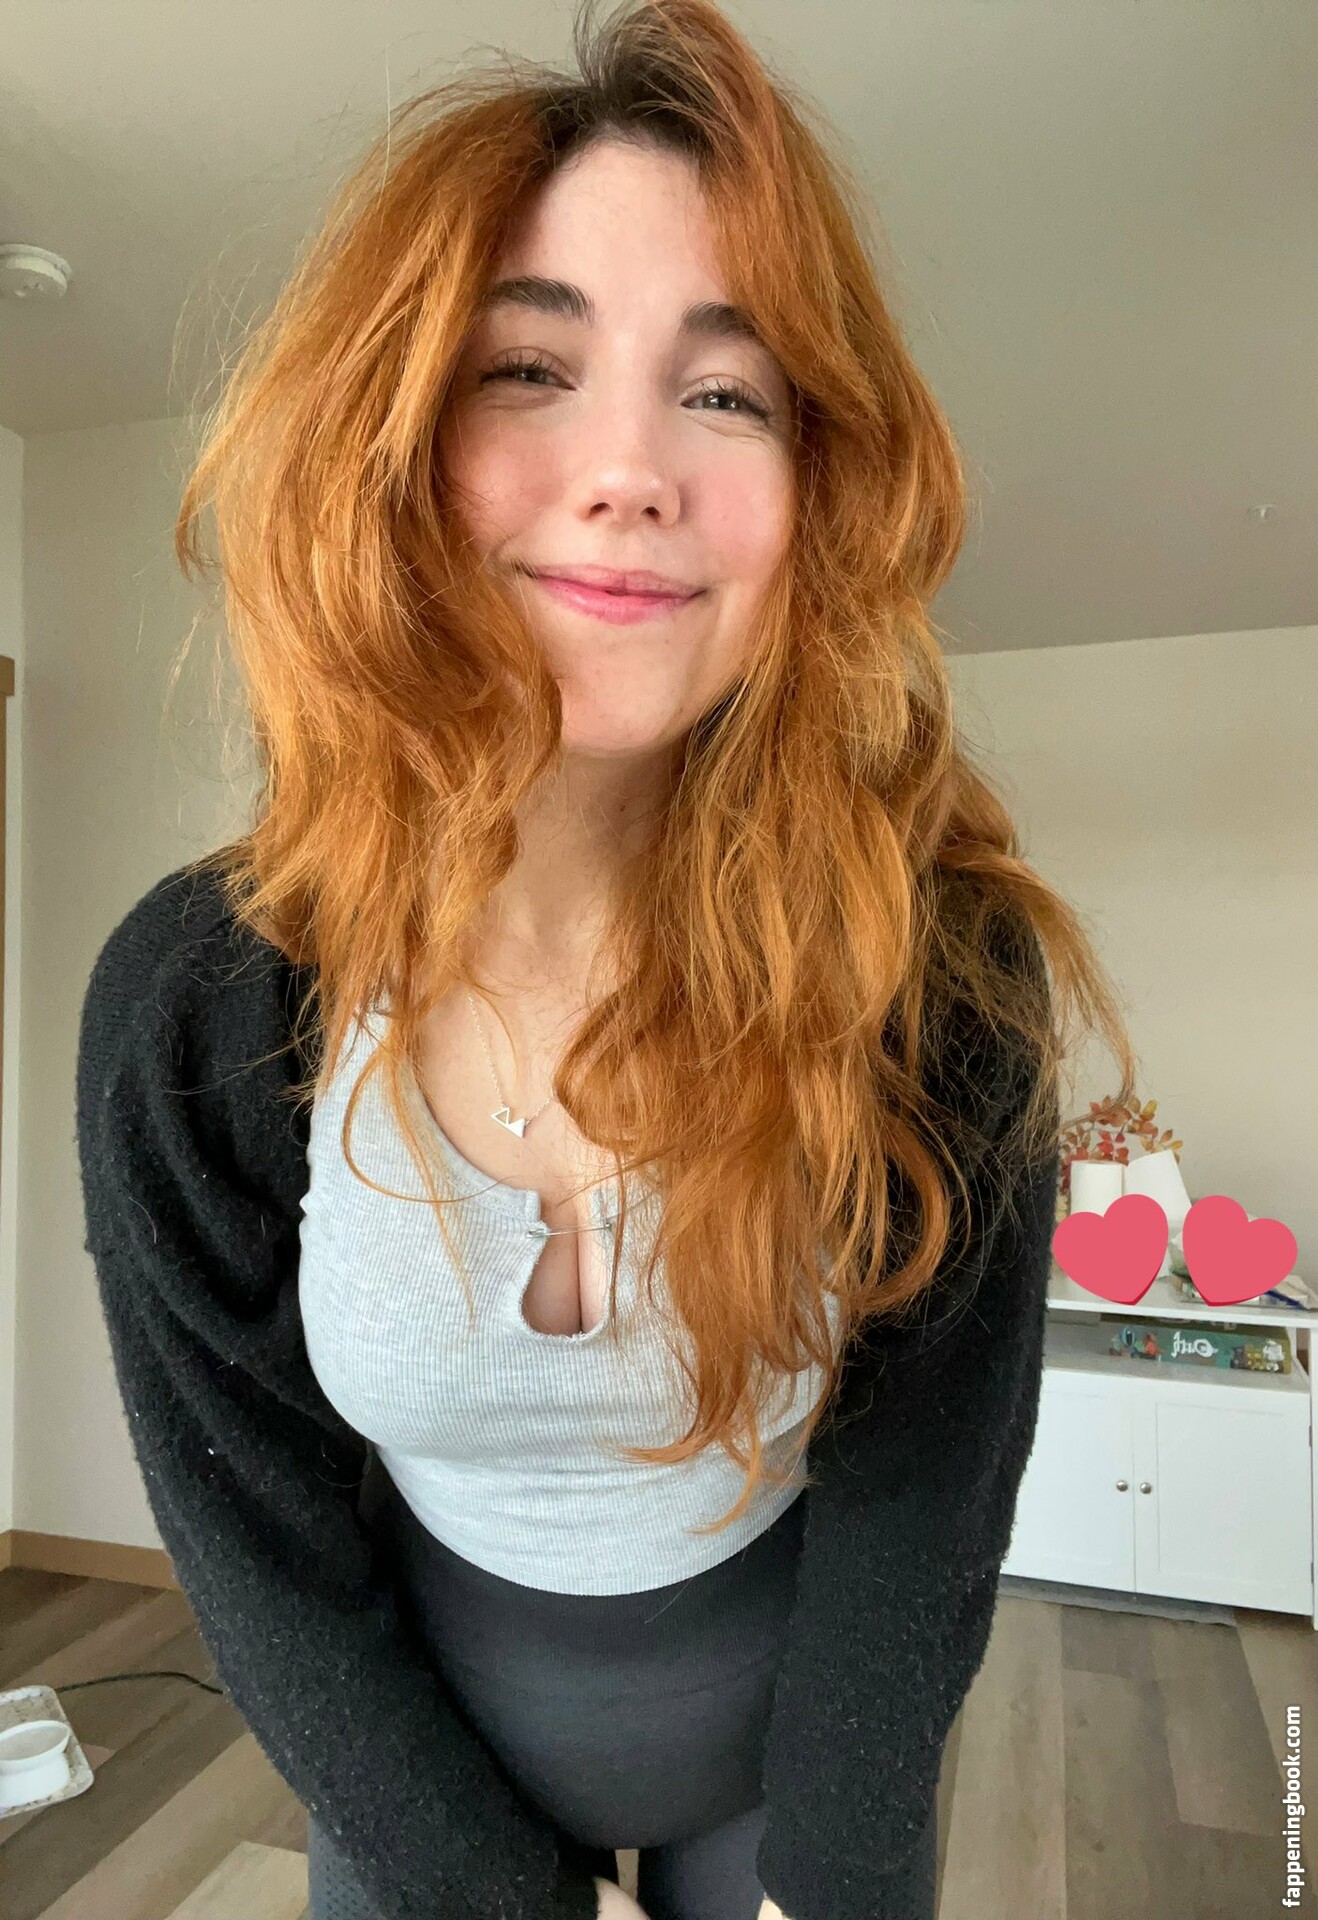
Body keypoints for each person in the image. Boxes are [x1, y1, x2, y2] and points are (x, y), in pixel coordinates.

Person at [74, 5, 1135, 1919]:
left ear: (816, 491)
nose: (631, 468)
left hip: (803, 1772)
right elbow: (253, 1535)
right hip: (423, 1791)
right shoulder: (194, 1002)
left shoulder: (940, 968)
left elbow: (930, 1480)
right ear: (387, 449)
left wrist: (828, 1872)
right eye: (528, 368)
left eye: (725, 394)